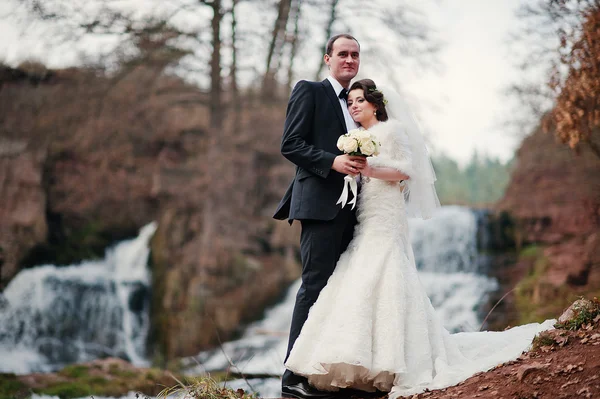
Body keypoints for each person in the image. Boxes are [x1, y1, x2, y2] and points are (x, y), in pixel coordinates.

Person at [283, 79, 555, 398]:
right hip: (365, 212)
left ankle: (394, 361)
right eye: (351, 101)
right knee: (359, 275)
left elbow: (405, 171)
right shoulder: (361, 137)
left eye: (359, 100)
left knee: (384, 270)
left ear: (375, 104)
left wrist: (368, 170)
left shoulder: (392, 130)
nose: (353, 105)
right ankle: (361, 362)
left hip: (386, 213)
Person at [273, 34, 367, 399]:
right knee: (314, 287)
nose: (349, 59)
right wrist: (332, 161)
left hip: (356, 210)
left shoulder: (360, 103)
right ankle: (293, 377)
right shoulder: (309, 90)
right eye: (342, 53)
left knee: (345, 291)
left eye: (355, 54)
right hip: (319, 206)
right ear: (328, 58)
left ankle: (331, 375)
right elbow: (290, 143)